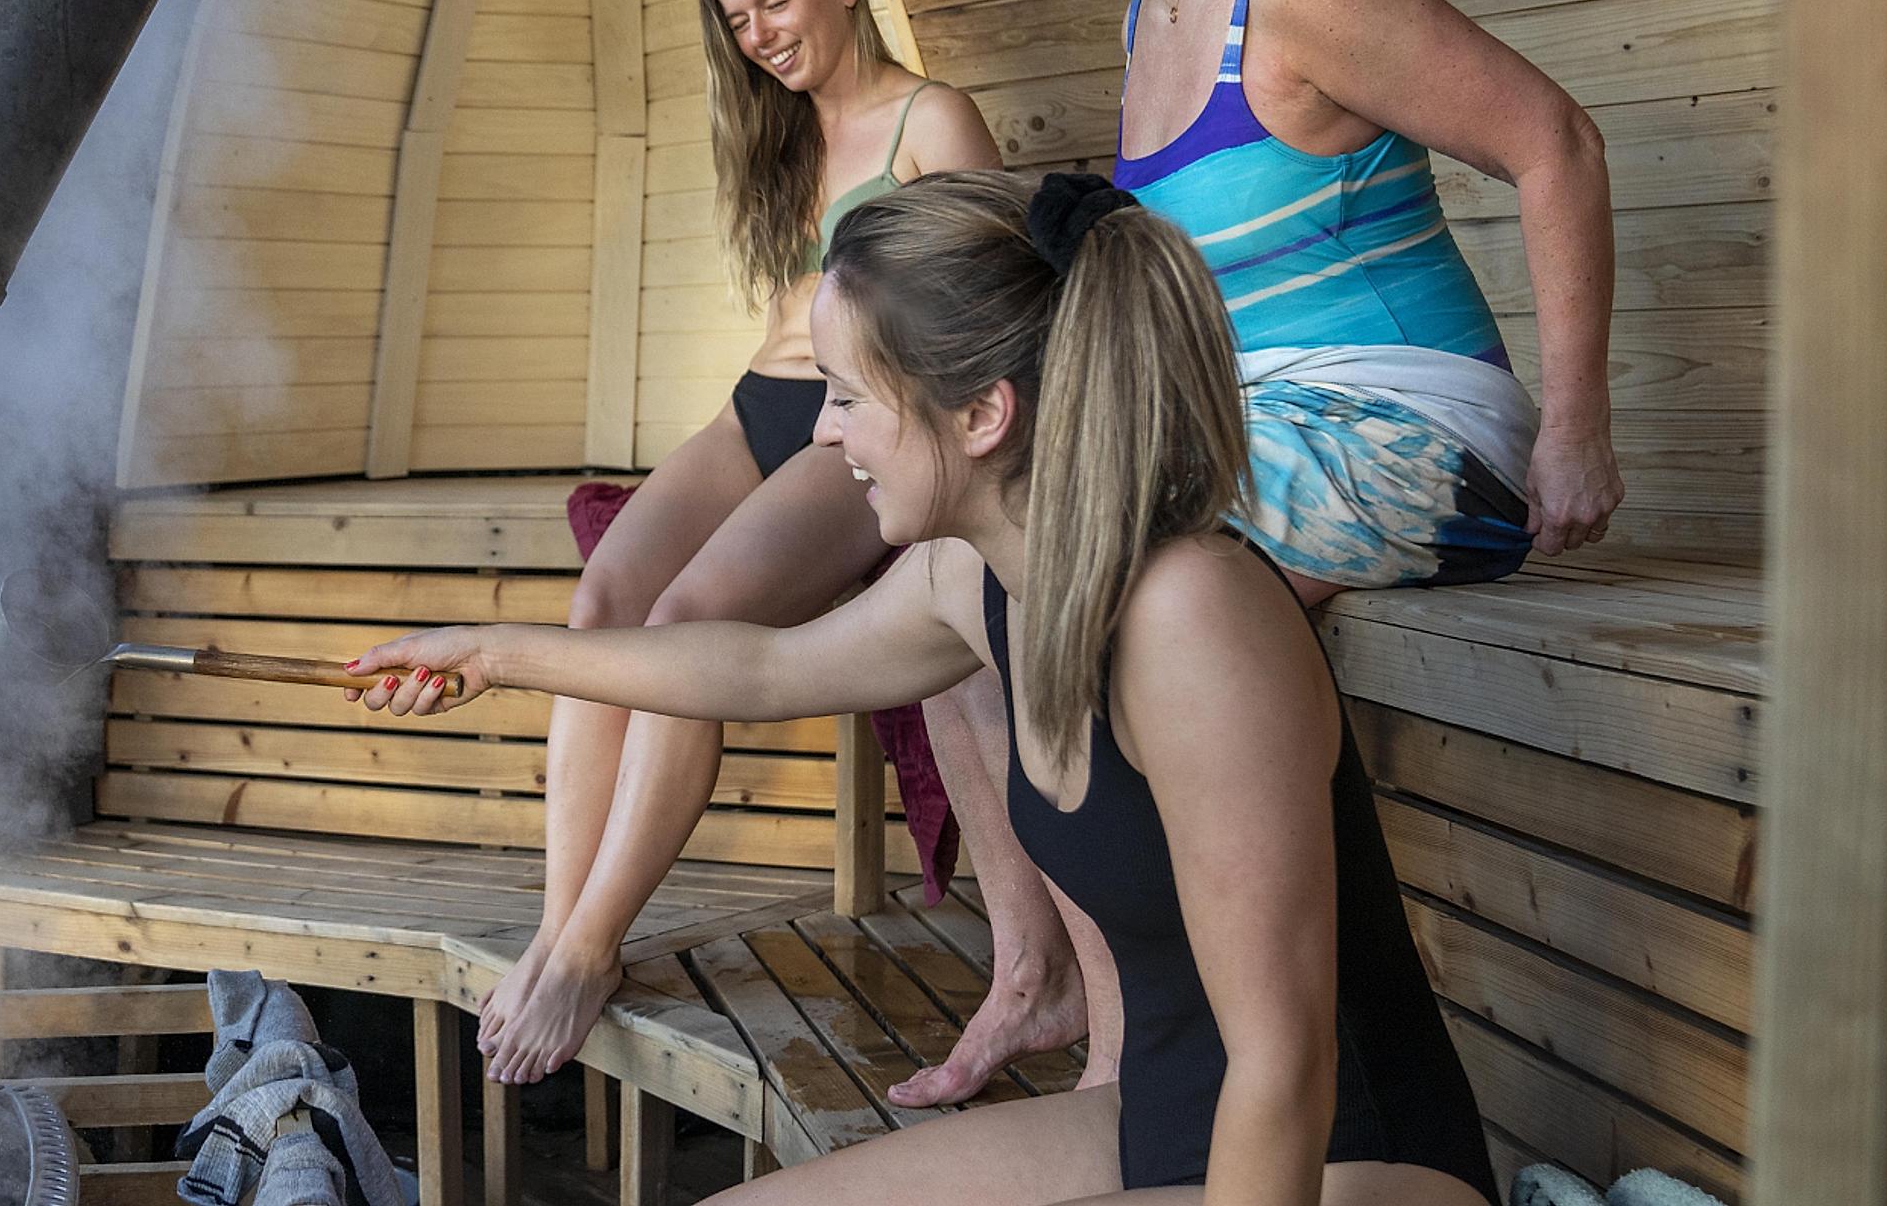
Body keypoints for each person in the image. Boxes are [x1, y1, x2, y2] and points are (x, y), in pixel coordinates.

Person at [347, 171, 1501, 1206]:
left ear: (982, 413)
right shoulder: (977, 573)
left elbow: (1284, 1061)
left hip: (1334, 1163)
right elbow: (758, 664)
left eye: (847, 395)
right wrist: (491, 652)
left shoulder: (1189, 617)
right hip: (1160, 1125)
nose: (824, 433)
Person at [899, 0, 1628, 1104]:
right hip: (1254, 433)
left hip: (1416, 431)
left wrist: (1577, 429)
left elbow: (1556, 142)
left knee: (1101, 588)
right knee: (980, 558)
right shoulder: (1148, 15)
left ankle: (1199, 1057)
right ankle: (1060, 984)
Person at [473, 0, 1008, 1087]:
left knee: (684, 622)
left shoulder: (930, 117)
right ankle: (558, 927)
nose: (758, 34)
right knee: (603, 599)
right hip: (754, 405)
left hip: (854, 420)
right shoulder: (784, 132)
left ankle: (591, 947)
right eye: (737, 18)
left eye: (774, 0)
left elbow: (998, 296)